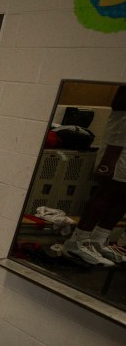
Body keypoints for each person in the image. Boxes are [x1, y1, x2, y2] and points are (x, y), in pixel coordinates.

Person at [62, 85, 126, 266]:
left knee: (124, 193)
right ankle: (77, 241)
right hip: (120, 139)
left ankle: (99, 240)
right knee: (108, 189)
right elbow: (119, 101)